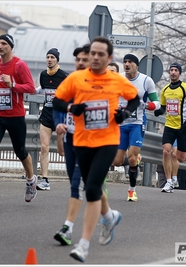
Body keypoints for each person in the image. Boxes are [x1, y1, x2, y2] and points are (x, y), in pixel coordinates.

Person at [53, 36, 140, 262]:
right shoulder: (76, 78)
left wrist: (125, 114)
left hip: (108, 141)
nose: (96, 57)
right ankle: (110, 217)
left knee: (91, 189)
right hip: (82, 141)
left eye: (101, 54)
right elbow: (58, 102)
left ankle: (83, 245)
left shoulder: (115, 80)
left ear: (109, 58)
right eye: (93, 53)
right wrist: (72, 107)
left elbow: (134, 99)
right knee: (93, 185)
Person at [0, 34, 37, 204]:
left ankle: (31, 180)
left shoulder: (19, 65)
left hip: (15, 116)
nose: (0, 46)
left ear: (11, 47)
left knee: (20, 152)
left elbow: (31, 88)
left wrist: (13, 85)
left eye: (4, 43)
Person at [53, 43, 90, 246]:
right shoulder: (69, 82)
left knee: (76, 185)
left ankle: (67, 228)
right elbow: (58, 105)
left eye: (85, 59)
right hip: (70, 139)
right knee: (77, 184)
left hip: (88, 143)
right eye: (78, 60)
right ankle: (109, 215)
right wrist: (59, 122)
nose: (80, 63)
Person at [112, 53, 160, 201]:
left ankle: (131, 191)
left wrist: (145, 105)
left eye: (130, 62)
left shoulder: (146, 81)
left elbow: (157, 103)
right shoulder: (117, 79)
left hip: (137, 123)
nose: (127, 64)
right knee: (117, 162)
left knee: (132, 159)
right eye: (125, 62)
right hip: (120, 125)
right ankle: (134, 158)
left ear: (136, 65)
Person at [154, 62, 186, 193]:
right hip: (169, 126)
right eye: (171, 70)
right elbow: (163, 108)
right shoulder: (165, 90)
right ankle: (169, 182)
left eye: (175, 70)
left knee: (180, 157)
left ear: (179, 73)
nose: (173, 72)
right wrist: (158, 111)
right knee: (166, 151)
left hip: (183, 127)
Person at [35, 48, 68, 191]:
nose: (49, 59)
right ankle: (45, 179)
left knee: (65, 151)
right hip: (47, 115)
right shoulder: (43, 75)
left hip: (61, 117)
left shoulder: (64, 76)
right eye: (47, 57)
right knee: (44, 147)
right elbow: (41, 90)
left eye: (52, 57)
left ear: (57, 60)